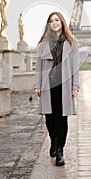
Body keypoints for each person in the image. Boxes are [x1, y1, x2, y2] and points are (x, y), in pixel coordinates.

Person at [34, 12, 80, 166]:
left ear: (62, 22)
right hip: (48, 85)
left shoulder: (71, 42)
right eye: (51, 21)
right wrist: (37, 85)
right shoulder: (43, 44)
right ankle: (53, 140)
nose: (54, 23)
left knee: (62, 119)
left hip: (64, 85)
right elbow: (39, 68)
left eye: (57, 20)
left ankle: (60, 150)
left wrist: (75, 86)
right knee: (50, 119)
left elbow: (75, 68)